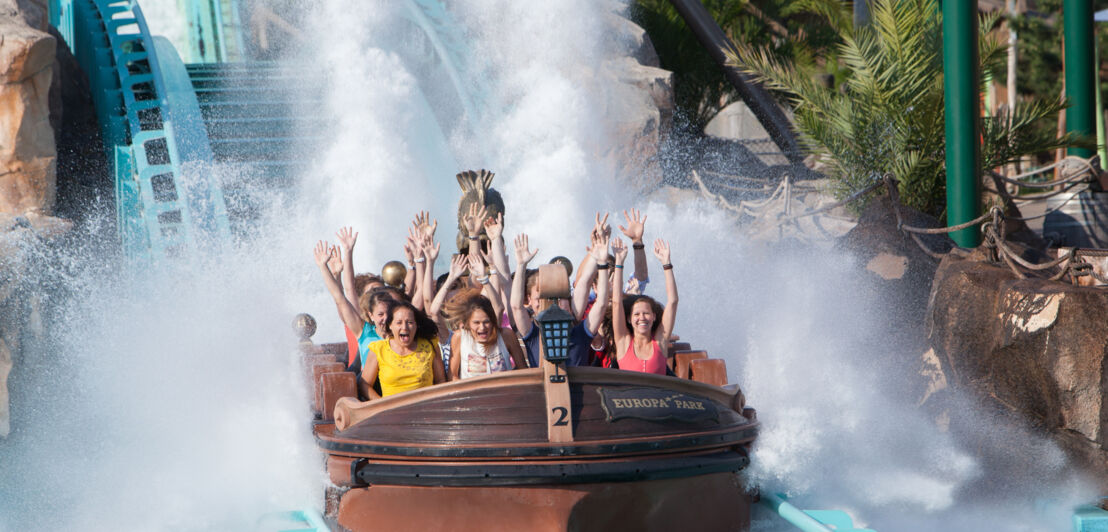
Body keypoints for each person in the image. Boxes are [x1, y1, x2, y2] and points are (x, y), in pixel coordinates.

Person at [510, 221, 611, 368]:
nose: (553, 303)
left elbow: (601, 301)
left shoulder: (581, 333)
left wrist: (601, 263)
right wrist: (521, 265)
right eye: (544, 298)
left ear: (569, 304)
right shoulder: (533, 336)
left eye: (559, 298)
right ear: (530, 300)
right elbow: (516, 306)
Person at [611, 238, 678, 375]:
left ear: (654, 317)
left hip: (658, 396)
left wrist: (666, 264)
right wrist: (619, 263)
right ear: (629, 319)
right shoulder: (624, 342)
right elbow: (617, 302)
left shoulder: (660, 341)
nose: (642, 317)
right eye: (636, 314)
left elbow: (673, 301)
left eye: (646, 313)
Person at [360, 299, 446, 398]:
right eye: (399, 323)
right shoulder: (378, 349)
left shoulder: (429, 345)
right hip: (391, 411)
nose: (404, 327)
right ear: (390, 325)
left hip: (424, 408)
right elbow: (364, 384)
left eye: (410, 322)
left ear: (416, 325)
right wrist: (381, 405)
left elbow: (441, 381)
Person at [445, 289, 527, 379]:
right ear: (468, 323)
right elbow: (453, 375)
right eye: (476, 323)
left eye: (486, 322)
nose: (482, 327)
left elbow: (522, 369)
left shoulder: (506, 335)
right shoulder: (459, 337)